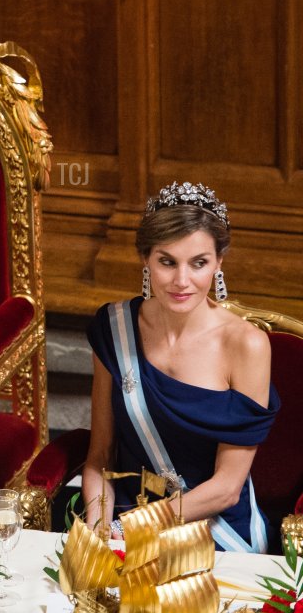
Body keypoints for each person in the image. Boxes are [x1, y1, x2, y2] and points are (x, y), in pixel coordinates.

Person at [82, 181, 279, 552]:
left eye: (199, 263)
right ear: (145, 258)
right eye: (167, 261)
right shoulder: (115, 330)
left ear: (219, 261)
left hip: (215, 533)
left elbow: (226, 489)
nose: (182, 281)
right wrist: (97, 532)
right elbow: (100, 455)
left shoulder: (246, 346)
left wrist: (133, 529)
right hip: (125, 516)